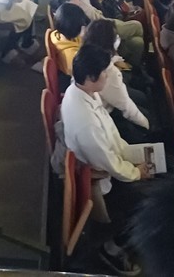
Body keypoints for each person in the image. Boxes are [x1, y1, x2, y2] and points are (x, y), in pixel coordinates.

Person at [60, 43, 153, 276]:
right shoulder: (86, 123)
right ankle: (112, 248)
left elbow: (110, 133)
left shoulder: (81, 90)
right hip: (100, 181)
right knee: (145, 200)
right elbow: (108, 163)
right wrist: (136, 172)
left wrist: (129, 152)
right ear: (91, 77)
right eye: (104, 73)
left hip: (107, 162)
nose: (108, 76)